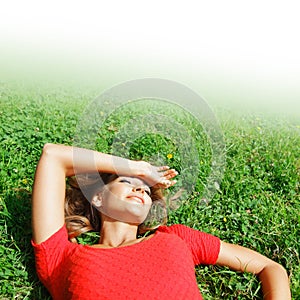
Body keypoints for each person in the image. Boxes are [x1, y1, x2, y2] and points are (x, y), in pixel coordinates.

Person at [32, 143, 291, 300]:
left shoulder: (177, 238)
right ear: (98, 197)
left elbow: (270, 268)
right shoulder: (61, 257)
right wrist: (136, 168)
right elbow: (53, 156)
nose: (140, 190)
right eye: (127, 182)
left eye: (145, 190)